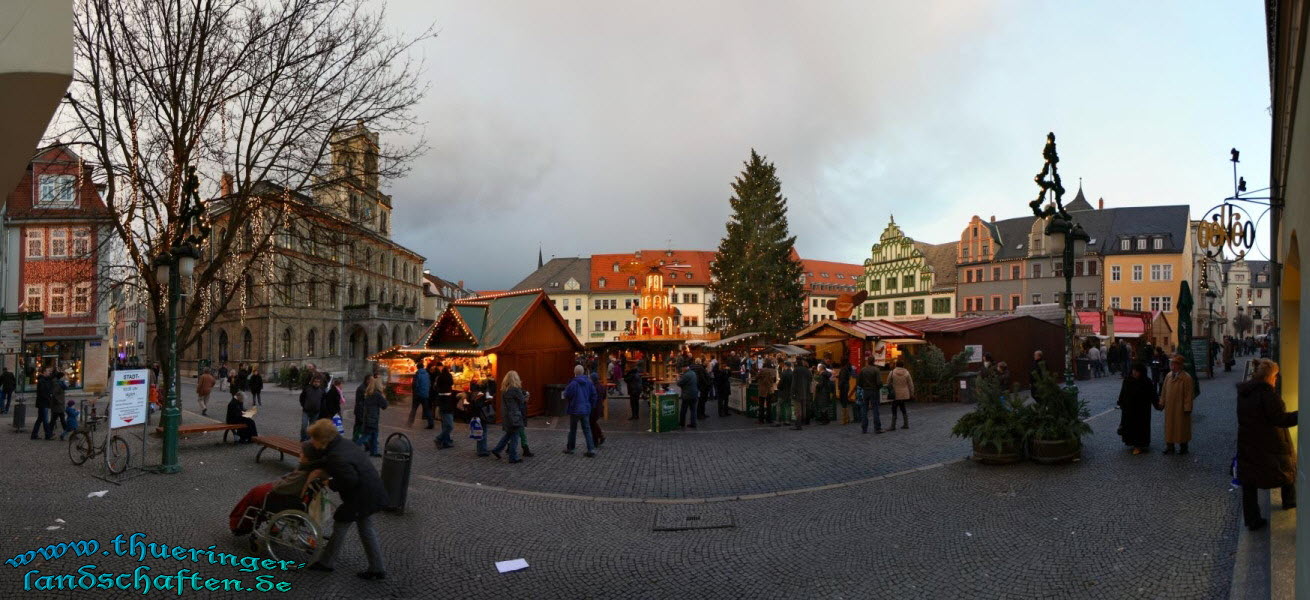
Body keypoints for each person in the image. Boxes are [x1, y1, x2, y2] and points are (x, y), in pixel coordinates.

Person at [302, 419, 388, 580]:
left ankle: (327, 563)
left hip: (361, 497)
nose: (312, 442)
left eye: (314, 438)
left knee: (341, 523)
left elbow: (349, 480)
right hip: (372, 491)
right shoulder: (343, 444)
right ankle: (377, 568)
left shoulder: (336, 455)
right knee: (366, 528)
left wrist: (329, 482)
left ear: (323, 439)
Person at [1237, 359, 1298, 531]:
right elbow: (1279, 419)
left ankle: (1252, 519)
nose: (1276, 380)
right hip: (1269, 441)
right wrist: (1301, 414)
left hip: (1248, 441)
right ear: (1270, 376)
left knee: (1249, 480)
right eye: (1275, 376)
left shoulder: (1244, 392)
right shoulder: (1268, 394)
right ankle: (1289, 501)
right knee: (1287, 469)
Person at [1160, 354, 1196, 455]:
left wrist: (1187, 407)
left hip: (1181, 408)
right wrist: (1162, 403)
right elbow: (1164, 390)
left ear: (1180, 365)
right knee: (1169, 427)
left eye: (1175, 364)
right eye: (1172, 364)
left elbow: (1189, 394)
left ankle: (1183, 446)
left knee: (1182, 428)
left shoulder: (1186, 378)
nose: (1173, 366)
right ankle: (1170, 446)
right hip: (1170, 407)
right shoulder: (1168, 376)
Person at [1116, 364, 1155, 454]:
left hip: (1142, 410)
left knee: (1140, 427)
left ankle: (1139, 445)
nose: (1134, 372)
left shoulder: (1146, 382)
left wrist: (1158, 404)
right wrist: (1121, 403)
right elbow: (1123, 393)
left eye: (1137, 371)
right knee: (1130, 426)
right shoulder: (1127, 380)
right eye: (1133, 370)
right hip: (1129, 409)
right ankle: (1133, 443)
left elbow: (1152, 395)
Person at [490, 371, 527, 463]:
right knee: (515, 435)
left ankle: (497, 449)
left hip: (506, 415)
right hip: (514, 415)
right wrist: (526, 395)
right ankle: (513, 457)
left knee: (509, 434)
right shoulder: (515, 389)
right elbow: (522, 400)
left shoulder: (504, 389)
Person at [563, 365, 597, 456]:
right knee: (587, 429)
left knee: (573, 429)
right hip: (585, 409)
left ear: (575, 373)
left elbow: (567, 394)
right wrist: (591, 406)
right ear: (583, 372)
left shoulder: (573, 383)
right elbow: (594, 395)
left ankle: (571, 448)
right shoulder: (589, 382)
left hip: (575, 409)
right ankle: (591, 449)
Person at [358, 377, 387, 457]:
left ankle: (374, 452)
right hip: (372, 418)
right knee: (366, 436)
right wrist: (383, 396)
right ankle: (354, 448)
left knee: (374, 434)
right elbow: (384, 406)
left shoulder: (368, 393)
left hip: (368, 417)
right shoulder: (377, 395)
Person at [857, 357, 883, 434]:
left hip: (865, 391)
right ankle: (877, 428)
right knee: (875, 409)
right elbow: (879, 382)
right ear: (874, 361)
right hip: (874, 391)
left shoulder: (863, 370)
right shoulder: (876, 370)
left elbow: (859, 382)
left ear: (867, 361)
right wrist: (878, 387)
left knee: (864, 409)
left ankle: (864, 428)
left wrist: (864, 387)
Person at [30, 366, 56, 440]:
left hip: (44, 402)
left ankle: (34, 435)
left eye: (50, 371)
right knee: (45, 419)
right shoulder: (42, 380)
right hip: (43, 402)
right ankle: (48, 435)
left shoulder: (47, 379)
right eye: (48, 371)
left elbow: (54, 375)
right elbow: (42, 393)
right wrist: (49, 397)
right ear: (44, 372)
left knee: (40, 419)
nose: (49, 372)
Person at [434, 364, 456, 449]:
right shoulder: (448, 378)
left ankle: (445, 442)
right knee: (449, 425)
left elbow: (435, 387)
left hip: (441, 402)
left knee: (444, 424)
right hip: (447, 404)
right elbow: (452, 383)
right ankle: (439, 438)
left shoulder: (439, 378)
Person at [887, 360, 913, 430]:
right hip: (904, 394)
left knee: (894, 408)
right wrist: (912, 393)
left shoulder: (892, 372)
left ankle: (893, 425)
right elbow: (910, 384)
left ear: (896, 365)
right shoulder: (907, 373)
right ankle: (906, 423)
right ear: (903, 365)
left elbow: (888, 382)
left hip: (895, 393)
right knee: (903, 407)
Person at [299, 373, 325, 442]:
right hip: (306, 411)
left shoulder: (322, 390)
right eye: (315, 381)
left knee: (311, 428)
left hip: (316, 412)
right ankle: (303, 438)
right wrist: (303, 405)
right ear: (312, 381)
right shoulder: (307, 388)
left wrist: (320, 408)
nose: (316, 383)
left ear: (320, 382)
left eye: (318, 382)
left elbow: (323, 401)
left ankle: (307, 440)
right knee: (304, 426)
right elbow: (302, 398)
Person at [408, 360, 432, 429]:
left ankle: (409, 423)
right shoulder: (427, 374)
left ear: (417, 367)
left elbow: (415, 385)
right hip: (425, 394)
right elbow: (429, 384)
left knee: (414, 409)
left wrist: (415, 392)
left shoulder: (417, 374)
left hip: (418, 395)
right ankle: (431, 423)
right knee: (427, 409)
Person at [790, 358, 812, 430]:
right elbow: (810, 380)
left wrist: (792, 392)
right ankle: (803, 421)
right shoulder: (807, 370)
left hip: (797, 392)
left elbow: (793, 382)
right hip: (806, 392)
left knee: (798, 409)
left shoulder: (796, 370)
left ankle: (798, 425)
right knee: (804, 408)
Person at [677, 363, 699, 429]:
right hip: (694, 393)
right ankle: (693, 423)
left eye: (682, 368)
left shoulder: (686, 375)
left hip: (687, 395)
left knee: (683, 410)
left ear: (685, 367)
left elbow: (679, 383)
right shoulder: (693, 373)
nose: (682, 369)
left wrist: (678, 378)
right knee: (693, 410)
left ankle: (682, 423)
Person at [776, 360, 793, 428]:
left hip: (783, 393)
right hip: (789, 393)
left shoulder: (784, 373)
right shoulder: (792, 373)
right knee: (788, 406)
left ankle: (778, 421)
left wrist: (778, 386)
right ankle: (788, 421)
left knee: (779, 405)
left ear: (785, 366)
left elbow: (780, 384)